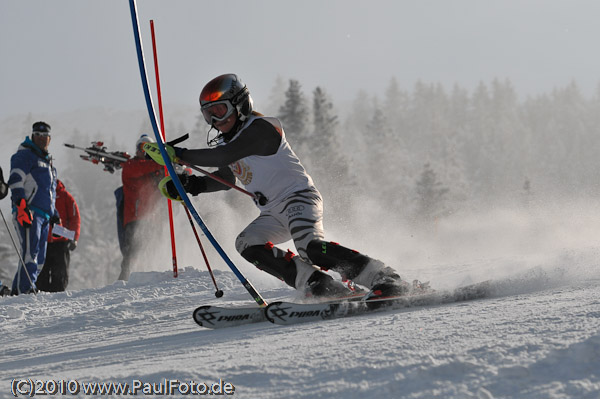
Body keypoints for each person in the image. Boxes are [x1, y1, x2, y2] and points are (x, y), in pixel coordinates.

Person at [145, 74, 406, 298]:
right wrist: (191, 184)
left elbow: (223, 157)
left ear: (240, 105)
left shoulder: (262, 129)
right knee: (247, 243)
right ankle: (318, 285)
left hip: (299, 198)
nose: (215, 121)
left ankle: (385, 278)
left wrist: (176, 153)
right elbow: (227, 177)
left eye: (220, 111)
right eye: (208, 115)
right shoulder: (229, 143)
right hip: (273, 212)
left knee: (310, 248)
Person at [7, 121, 60, 295]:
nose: (42, 139)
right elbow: (15, 179)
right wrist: (20, 203)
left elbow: (50, 191)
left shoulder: (49, 163)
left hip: (44, 215)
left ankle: (17, 291)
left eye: (45, 136)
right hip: (29, 211)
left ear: (50, 139)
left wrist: (55, 214)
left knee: (39, 258)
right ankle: (26, 290)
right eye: (38, 135)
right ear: (32, 136)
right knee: (31, 253)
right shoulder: (25, 155)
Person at [116, 134, 164, 281]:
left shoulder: (154, 170)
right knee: (131, 255)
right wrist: (162, 163)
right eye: (142, 148)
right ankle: (124, 281)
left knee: (151, 252)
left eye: (148, 148)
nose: (144, 152)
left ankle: (148, 281)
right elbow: (141, 168)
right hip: (134, 219)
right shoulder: (131, 165)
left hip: (153, 220)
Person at [36, 179, 80, 292]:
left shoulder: (65, 196)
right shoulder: (40, 194)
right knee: (41, 274)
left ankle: (58, 299)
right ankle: (41, 299)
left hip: (61, 242)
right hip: (43, 242)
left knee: (60, 275)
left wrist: (74, 238)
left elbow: (75, 218)